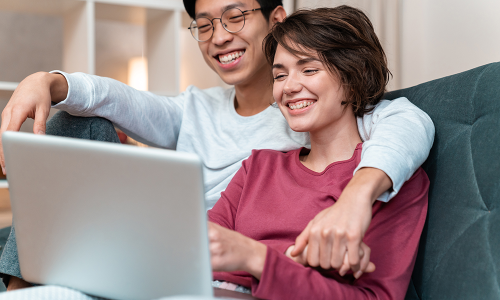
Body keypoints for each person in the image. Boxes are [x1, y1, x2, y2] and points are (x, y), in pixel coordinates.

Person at [0, 0, 434, 293]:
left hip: (230, 271)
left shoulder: (343, 124)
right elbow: (116, 97)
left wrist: (357, 196)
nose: (219, 36)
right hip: (185, 248)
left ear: (275, 19)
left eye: (234, 17)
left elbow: (410, 120)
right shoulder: (213, 123)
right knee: (78, 122)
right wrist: (49, 81)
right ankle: (23, 286)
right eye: (205, 25)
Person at [207, 6, 429, 299]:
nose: (289, 87)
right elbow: (204, 252)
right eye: (279, 75)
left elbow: (375, 296)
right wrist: (292, 263)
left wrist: (256, 258)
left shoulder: (390, 179)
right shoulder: (257, 167)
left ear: (353, 77)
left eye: (309, 70)